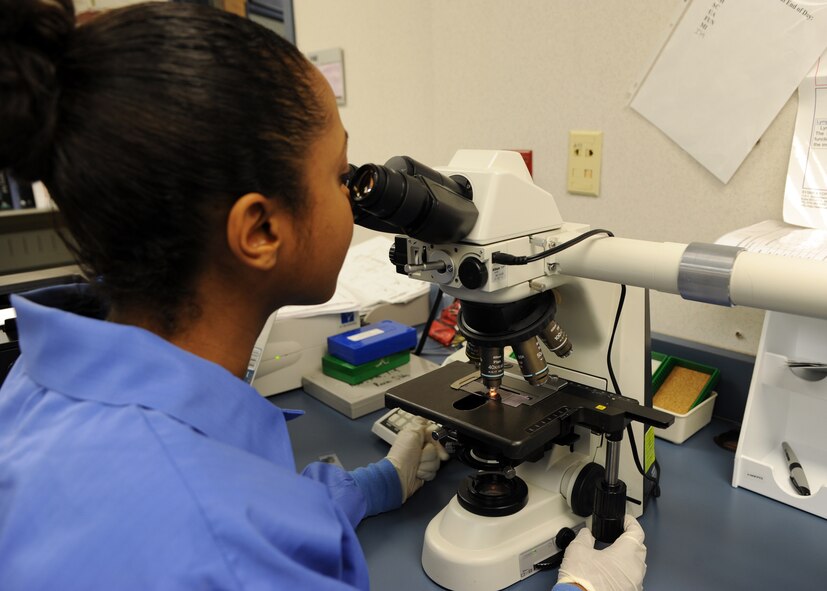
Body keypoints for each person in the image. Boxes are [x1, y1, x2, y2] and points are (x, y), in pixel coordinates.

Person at [0, 1, 646, 589]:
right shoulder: (221, 542)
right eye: (342, 176)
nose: (356, 199)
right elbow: (223, 532)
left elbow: (235, 503)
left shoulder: (30, 384)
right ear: (260, 229)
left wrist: (366, 487)